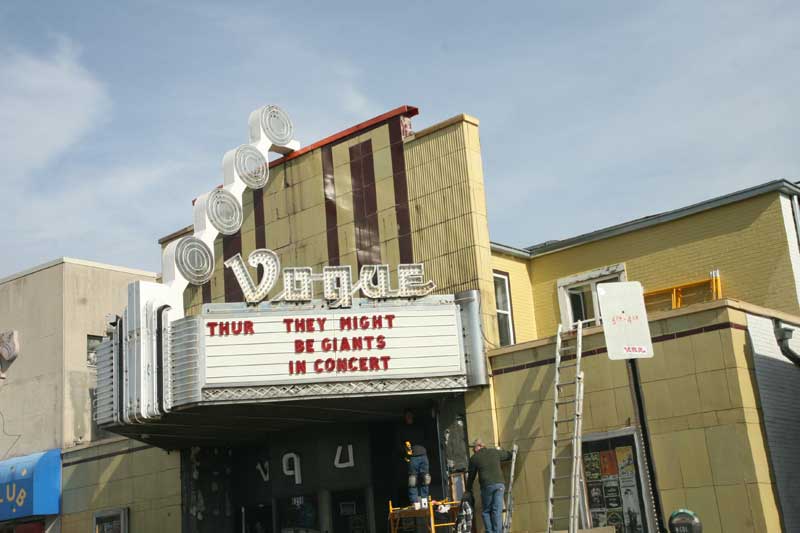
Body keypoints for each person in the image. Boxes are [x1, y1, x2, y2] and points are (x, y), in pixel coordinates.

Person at [465, 438, 512, 533]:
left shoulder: (474, 458)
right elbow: (508, 456)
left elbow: (471, 477)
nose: (473, 451)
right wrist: (503, 450)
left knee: (486, 511)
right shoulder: (494, 452)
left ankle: (490, 531)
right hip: (500, 485)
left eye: (473, 448)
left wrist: (468, 489)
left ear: (478, 447)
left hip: (487, 486)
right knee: (497, 510)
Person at [399, 409, 430, 509]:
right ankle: (415, 501)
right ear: (405, 417)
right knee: (412, 480)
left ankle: (424, 499)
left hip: (423, 454)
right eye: (407, 416)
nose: (409, 417)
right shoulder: (403, 429)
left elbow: (427, 437)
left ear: (412, 416)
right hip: (412, 457)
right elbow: (400, 444)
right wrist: (405, 452)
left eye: (410, 415)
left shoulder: (419, 426)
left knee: (426, 478)